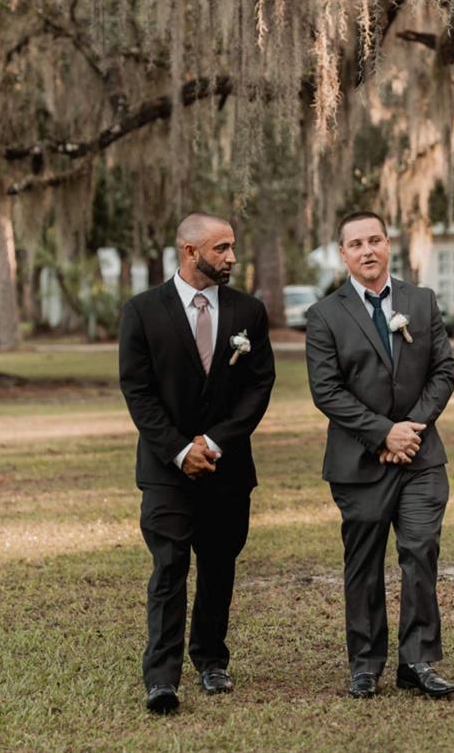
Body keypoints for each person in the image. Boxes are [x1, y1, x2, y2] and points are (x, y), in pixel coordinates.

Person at [119, 213, 275, 714]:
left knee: (218, 565)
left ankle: (211, 659)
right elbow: (138, 391)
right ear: (190, 251)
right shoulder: (142, 311)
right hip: (167, 467)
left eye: (232, 247)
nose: (231, 257)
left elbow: (258, 386)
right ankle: (162, 677)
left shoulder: (248, 311)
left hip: (227, 466)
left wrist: (215, 441)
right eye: (221, 248)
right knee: (169, 567)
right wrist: (181, 449)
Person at [306, 211, 454, 699]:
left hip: (420, 458)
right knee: (363, 562)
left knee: (419, 552)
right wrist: (383, 434)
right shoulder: (325, 315)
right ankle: (365, 663)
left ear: (389, 244)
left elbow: (444, 370)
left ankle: (418, 660)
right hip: (359, 463)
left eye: (375, 240)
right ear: (343, 253)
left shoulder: (421, 301)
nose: (367, 250)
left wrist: (411, 428)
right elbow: (326, 391)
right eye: (356, 244)